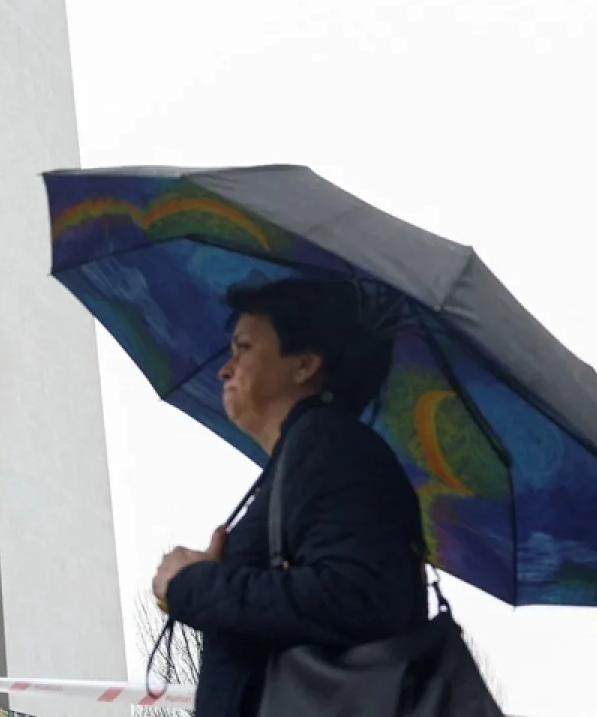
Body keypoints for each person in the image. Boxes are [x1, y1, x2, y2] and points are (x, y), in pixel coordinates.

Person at [149, 278, 426, 717]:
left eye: (243, 348)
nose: (226, 369)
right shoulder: (306, 455)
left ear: (304, 365)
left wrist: (194, 584)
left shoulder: (331, 447)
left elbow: (355, 597)